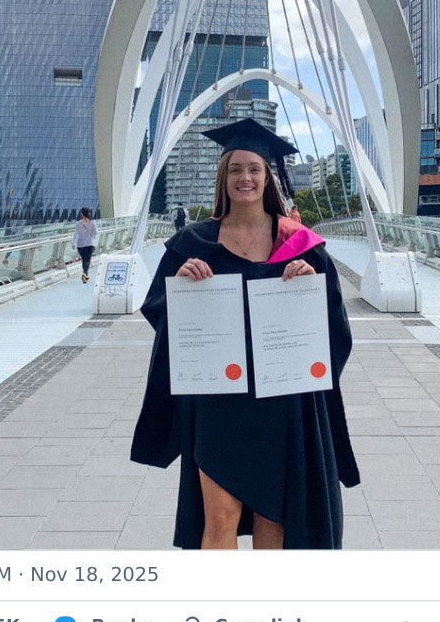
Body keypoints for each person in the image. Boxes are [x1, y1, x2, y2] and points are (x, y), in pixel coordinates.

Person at [131, 119, 359, 549]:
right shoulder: (192, 244)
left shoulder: (301, 245)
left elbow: (333, 324)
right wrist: (182, 286)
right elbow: (160, 310)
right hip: (219, 400)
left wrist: (307, 289)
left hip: (282, 398)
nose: (245, 178)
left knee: (274, 516)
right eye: (236, 169)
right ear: (224, 177)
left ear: (267, 177)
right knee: (219, 516)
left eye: (254, 168)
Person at [72, 207, 97, 283]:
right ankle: (85, 274)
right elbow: (96, 232)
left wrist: (74, 243)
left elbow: (76, 235)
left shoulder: (78, 224)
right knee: (87, 260)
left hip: (80, 245)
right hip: (90, 244)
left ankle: (85, 274)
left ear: (82, 214)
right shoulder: (93, 222)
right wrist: (92, 237)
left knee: (84, 259)